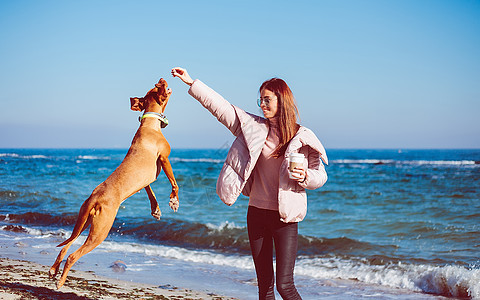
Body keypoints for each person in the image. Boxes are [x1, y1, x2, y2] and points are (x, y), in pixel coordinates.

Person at [171, 67, 328, 300]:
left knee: (285, 286)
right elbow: (221, 107)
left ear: (281, 101)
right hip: (256, 214)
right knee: (264, 286)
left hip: (285, 219)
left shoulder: (302, 136)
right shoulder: (252, 128)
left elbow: (320, 176)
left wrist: (305, 176)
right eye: (260, 100)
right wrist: (191, 82)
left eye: (267, 99)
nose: (262, 105)